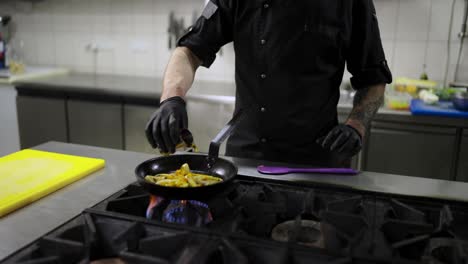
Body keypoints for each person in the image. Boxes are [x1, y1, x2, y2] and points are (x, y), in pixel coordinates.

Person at [146, 0, 392, 167]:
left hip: (318, 160)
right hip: (247, 157)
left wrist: (356, 125)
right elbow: (189, 50)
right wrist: (172, 98)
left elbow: (373, 79)